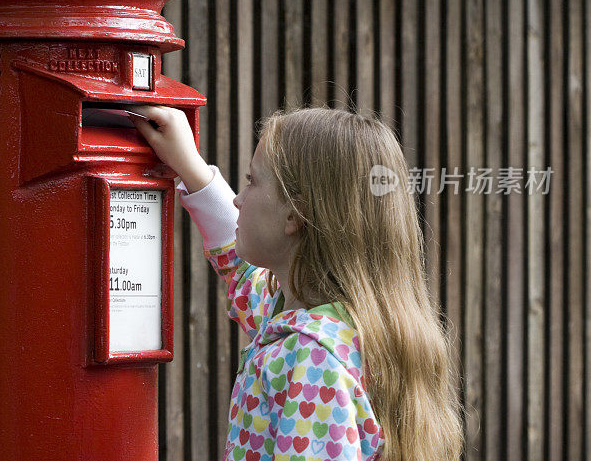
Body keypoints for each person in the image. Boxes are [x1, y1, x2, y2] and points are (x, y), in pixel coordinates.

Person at [128, 104, 464, 461]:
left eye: (252, 181)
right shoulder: (342, 329)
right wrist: (190, 166)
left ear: (295, 214)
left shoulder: (311, 356)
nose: (240, 200)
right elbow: (241, 272)